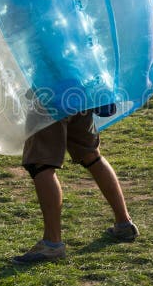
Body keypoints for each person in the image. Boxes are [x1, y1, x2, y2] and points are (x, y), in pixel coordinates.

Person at [11, 105, 138, 264]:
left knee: (41, 165)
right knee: (91, 156)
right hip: (79, 94)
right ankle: (124, 223)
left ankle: (52, 243)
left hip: (48, 97)